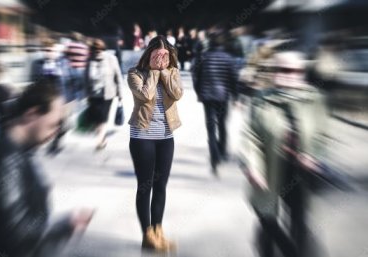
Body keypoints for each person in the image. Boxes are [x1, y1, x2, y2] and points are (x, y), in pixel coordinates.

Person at [0, 78, 94, 257]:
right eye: (54, 124)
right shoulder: (5, 159)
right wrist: (67, 225)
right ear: (32, 114)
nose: (57, 132)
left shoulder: (20, 151)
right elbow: (17, 238)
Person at [240, 51, 330, 257]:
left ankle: (296, 250)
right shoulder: (261, 99)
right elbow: (250, 135)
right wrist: (252, 165)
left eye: (297, 71)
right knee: (266, 215)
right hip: (268, 167)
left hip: (299, 171)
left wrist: (314, 155)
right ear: (274, 72)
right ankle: (286, 250)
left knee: (298, 219)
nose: (291, 75)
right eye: (284, 69)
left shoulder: (313, 99)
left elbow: (323, 134)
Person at [127, 35, 183, 251]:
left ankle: (158, 232)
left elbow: (177, 94)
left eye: (165, 55)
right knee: (145, 186)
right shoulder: (135, 73)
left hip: (166, 137)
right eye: (157, 55)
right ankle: (147, 235)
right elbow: (146, 95)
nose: (161, 59)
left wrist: (166, 72)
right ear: (148, 54)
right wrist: (153, 71)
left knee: (161, 186)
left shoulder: (173, 72)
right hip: (143, 137)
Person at [192, 29, 238, 175]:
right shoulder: (228, 58)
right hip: (223, 97)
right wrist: (236, 96)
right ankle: (222, 151)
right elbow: (234, 78)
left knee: (211, 128)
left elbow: (196, 77)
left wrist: (199, 92)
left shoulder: (203, 57)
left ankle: (214, 156)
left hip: (207, 97)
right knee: (222, 124)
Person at [85, 38, 123, 150]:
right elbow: (85, 78)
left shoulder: (111, 59)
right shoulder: (89, 60)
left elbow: (118, 77)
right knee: (97, 118)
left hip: (108, 94)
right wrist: (86, 94)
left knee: (103, 117)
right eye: (95, 50)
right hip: (93, 94)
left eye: (99, 50)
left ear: (103, 49)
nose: (97, 52)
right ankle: (102, 137)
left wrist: (120, 94)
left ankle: (99, 140)